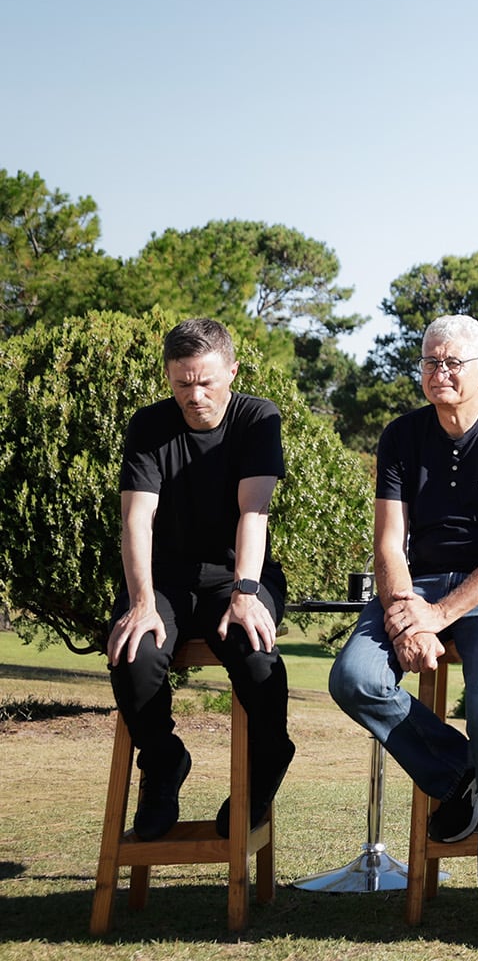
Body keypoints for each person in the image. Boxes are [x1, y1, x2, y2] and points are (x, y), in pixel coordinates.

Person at [328, 316, 478, 950]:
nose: (438, 372)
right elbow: (388, 543)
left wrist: (439, 615)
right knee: (354, 678)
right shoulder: (401, 435)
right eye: (429, 362)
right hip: (418, 585)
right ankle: (459, 774)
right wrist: (405, 611)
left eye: (452, 362)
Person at [107, 317, 293, 842]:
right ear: (169, 377)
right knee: (134, 654)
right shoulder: (149, 425)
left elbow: (253, 511)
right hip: (166, 578)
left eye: (206, 382)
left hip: (239, 573)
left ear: (232, 371)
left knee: (255, 653)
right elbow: (136, 519)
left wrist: (245, 593)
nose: (195, 395)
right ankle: (163, 762)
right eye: (182, 383)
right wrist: (141, 602)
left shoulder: (257, 417)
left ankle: (266, 763)